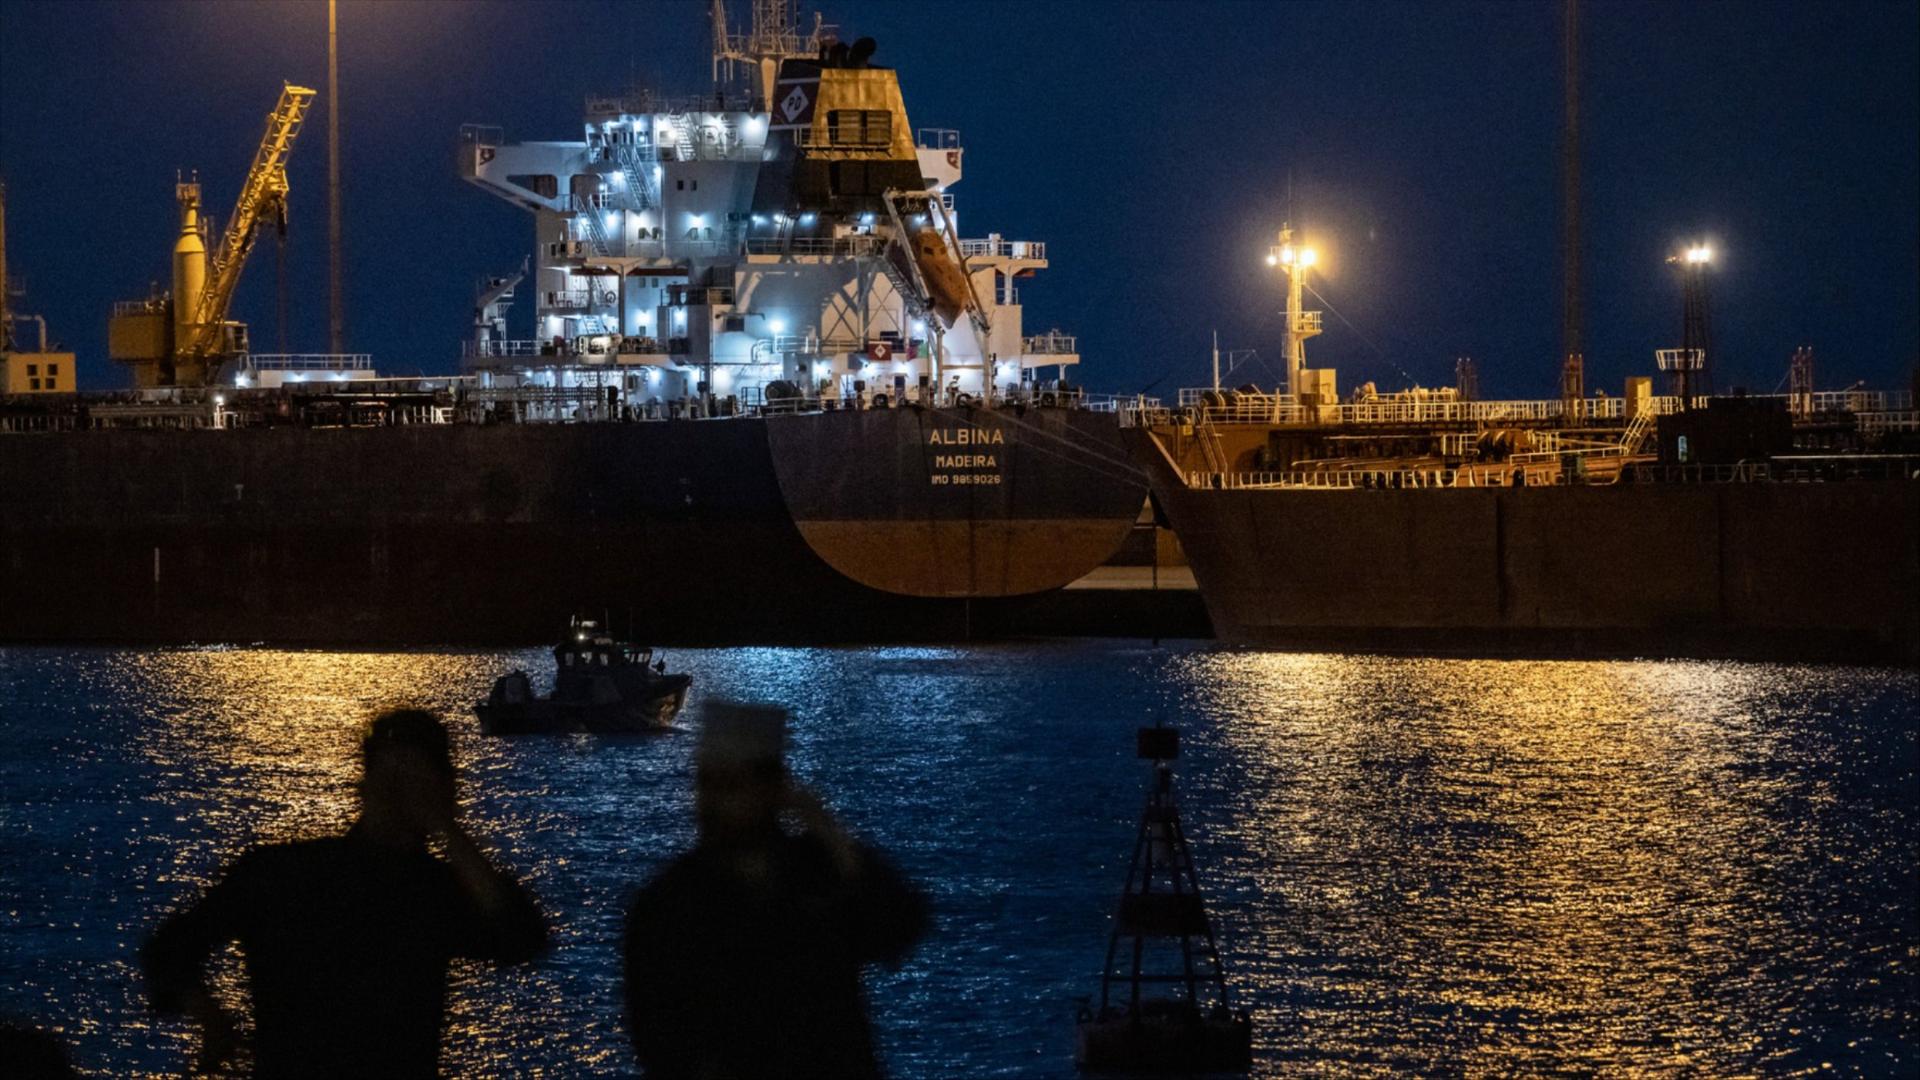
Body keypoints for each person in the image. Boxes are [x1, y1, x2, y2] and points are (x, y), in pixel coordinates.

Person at [142, 709, 548, 1078]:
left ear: (361, 784)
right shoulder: (435, 893)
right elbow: (521, 936)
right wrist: (446, 826)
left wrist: (212, 1021)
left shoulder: (276, 872)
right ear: (447, 788)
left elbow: (168, 950)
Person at [624, 703, 929, 1079]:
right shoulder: (671, 900)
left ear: (771, 791)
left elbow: (900, 926)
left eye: (730, 786)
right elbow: (657, 1036)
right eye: (708, 785)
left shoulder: (816, 871)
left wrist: (828, 832)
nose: (714, 802)